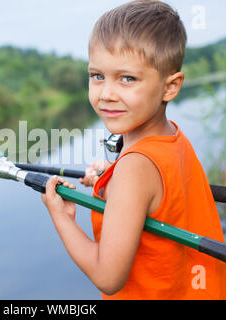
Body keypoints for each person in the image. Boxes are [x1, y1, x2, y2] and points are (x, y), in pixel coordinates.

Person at [41, 0, 226, 299]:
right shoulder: (175, 137)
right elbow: (160, 193)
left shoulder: (135, 168)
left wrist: (61, 217)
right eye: (97, 76)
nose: (107, 94)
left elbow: (108, 276)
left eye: (128, 78)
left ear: (170, 87)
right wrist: (112, 179)